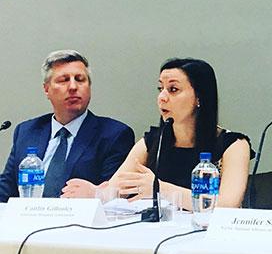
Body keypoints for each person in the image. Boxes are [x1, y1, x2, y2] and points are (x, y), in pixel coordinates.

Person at [63, 58, 252, 209]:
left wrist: (160, 189)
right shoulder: (153, 141)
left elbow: (227, 205)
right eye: (160, 89)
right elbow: (115, 187)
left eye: (173, 89)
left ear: (199, 98)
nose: (162, 97)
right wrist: (95, 192)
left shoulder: (233, 145)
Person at [0, 50, 134, 201]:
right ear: (46, 89)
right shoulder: (27, 131)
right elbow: (6, 189)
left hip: (80, 222)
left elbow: (113, 198)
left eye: (80, 79)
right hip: (26, 220)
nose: (73, 87)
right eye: (63, 80)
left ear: (89, 87)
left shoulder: (114, 135)